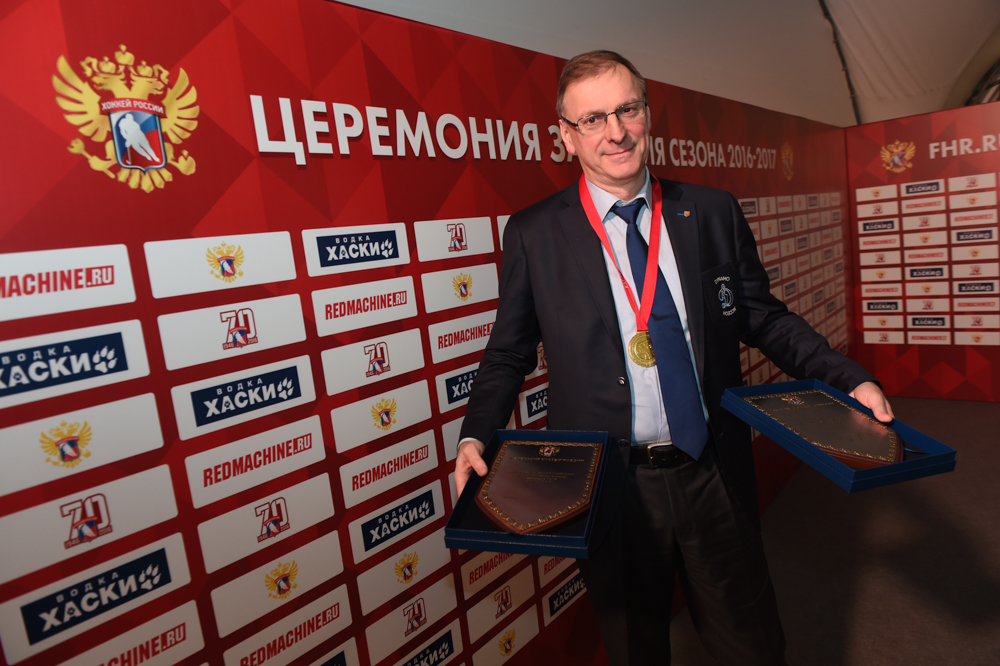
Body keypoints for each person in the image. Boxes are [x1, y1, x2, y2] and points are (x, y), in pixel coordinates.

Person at [453, 50, 893, 666]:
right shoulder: (534, 232)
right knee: (636, 651)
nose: (615, 132)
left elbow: (764, 318)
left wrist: (849, 378)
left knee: (753, 647)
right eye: (593, 119)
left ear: (647, 113)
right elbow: (508, 352)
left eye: (627, 110)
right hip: (610, 484)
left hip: (713, 469)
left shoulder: (710, 211)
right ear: (566, 136)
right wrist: (476, 433)